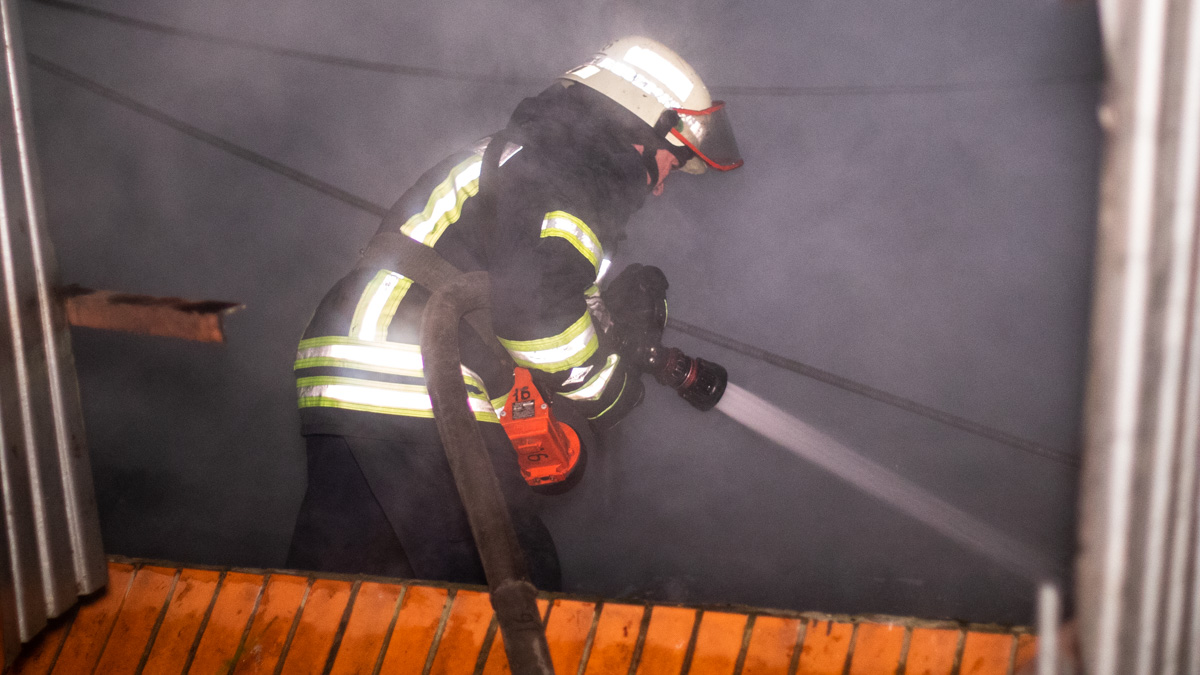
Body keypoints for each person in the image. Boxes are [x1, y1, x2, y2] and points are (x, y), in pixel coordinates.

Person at [286, 36, 743, 588]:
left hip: (348, 364)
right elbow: (537, 315)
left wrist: (597, 342)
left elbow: (525, 292)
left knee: (336, 595)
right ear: (642, 126)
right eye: (674, 160)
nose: (664, 185)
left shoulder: (538, 152)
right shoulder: (586, 170)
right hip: (415, 373)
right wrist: (610, 390)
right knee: (511, 584)